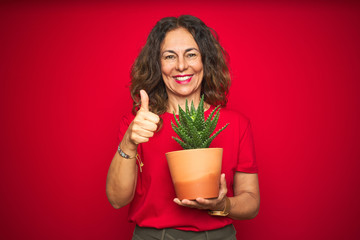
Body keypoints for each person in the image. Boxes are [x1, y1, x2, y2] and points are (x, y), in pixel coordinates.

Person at [106, 15, 260, 240]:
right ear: (158, 65)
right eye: (170, 56)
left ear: (205, 61)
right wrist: (129, 142)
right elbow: (116, 199)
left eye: (191, 54)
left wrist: (222, 204)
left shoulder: (236, 124)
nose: (181, 66)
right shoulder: (139, 124)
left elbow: (252, 202)